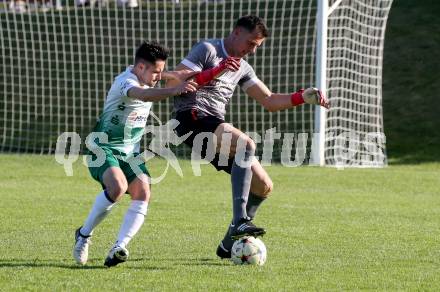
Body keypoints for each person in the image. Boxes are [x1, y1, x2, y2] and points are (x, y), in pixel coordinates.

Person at [168, 15, 330, 259]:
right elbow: (176, 78)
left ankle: (226, 246)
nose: (252, 51)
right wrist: (216, 69)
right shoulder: (208, 49)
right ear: (236, 33)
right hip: (192, 116)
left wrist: (302, 97)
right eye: (251, 43)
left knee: (263, 185)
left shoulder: (243, 66)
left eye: (257, 46)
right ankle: (240, 220)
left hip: (213, 125)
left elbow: (268, 100)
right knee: (246, 144)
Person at [73, 41, 199, 267]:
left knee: (143, 191)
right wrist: (173, 89)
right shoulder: (126, 82)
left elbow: (167, 76)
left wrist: (188, 74)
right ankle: (83, 235)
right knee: (118, 187)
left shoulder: (147, 73)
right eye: (155, 72)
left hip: (131, 153)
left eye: (160, 72)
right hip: (103, 148)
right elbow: (142, 94)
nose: (158, 77)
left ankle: (119, 247)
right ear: (140, 67)